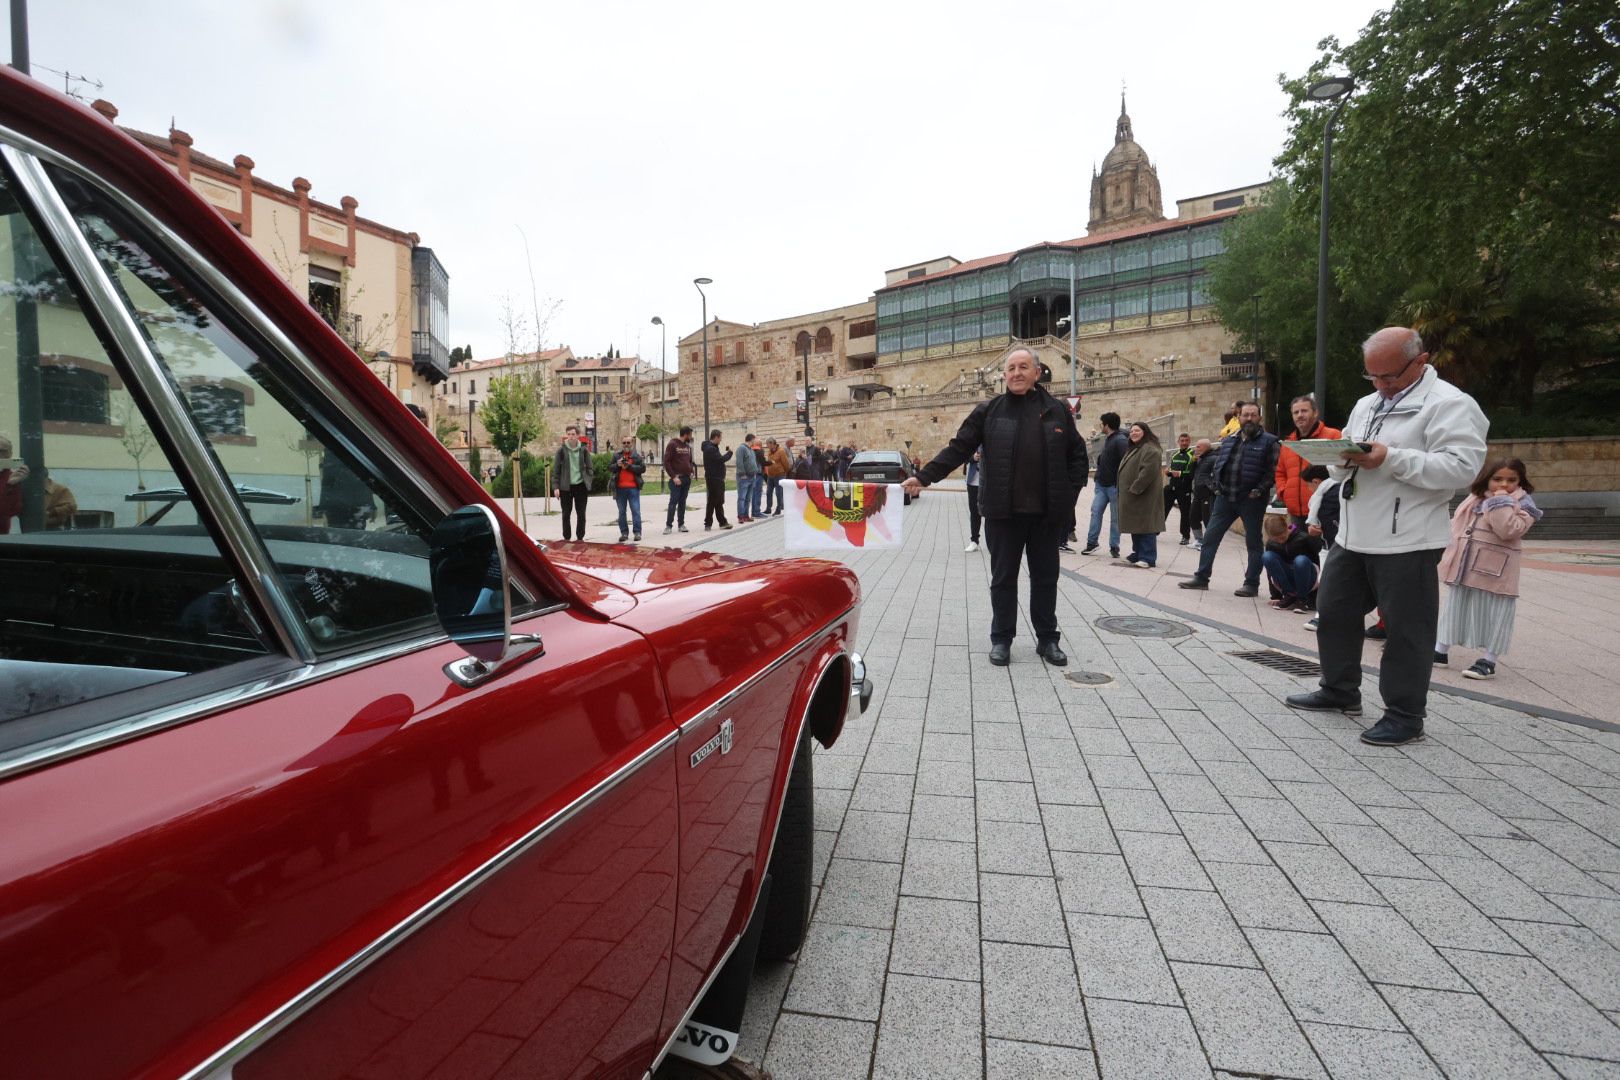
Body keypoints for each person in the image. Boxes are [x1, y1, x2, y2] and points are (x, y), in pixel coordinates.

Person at [1286, 326, 1488, 746]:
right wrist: (1338, 460)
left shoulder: (1450, 405)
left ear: (1420, 361)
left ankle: (1405, 715)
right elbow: (1350, 458)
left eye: (1389, 376)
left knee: (1406, 630)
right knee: (1334, 612)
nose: (1380, 385)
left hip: (1408, 537)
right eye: (1372, 377)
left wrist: (1392, 459)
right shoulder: (1366, 404)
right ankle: (1340, 691)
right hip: (1355, 532)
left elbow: (1462, 468)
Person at [902, 348, 1088, 666]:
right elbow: (959, 447)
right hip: (1003, 514)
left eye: (1023, 367)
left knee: (1046, 578)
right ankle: (1001, 639)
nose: (1016, 373)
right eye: (1010, 368)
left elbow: (1078, 456)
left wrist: (1067, 496)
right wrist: (924, 477)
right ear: (1004, 374)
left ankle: (1047, 639)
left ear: (1037, 372)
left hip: (1046, 516)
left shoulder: (1057, 411)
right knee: (1003, 579)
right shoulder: (989, 411)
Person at [1434, 458, 1540, 681]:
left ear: (1521, 481)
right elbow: (1458, 526)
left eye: (1512, 480)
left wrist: (1500, 502)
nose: (1504, 484)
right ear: (1486, 478)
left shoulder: (1523, 503)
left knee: (1497, 613)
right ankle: (1440, 651)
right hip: (1465, 564)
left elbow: (1509, 529)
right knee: (1455, 607)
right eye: (1497, 479)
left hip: (1498, 568)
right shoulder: (1477, 498)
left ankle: (1489, 660)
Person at [1178, 402, 1280, 596]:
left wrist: (1258, 490)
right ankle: (1201, 577)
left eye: (1253, 415)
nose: (1249, 419)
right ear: (1239, 417)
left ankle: (1251, 584)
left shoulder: (1269, 442)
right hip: (1225, 498)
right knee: (1210, 538)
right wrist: (1215, 485)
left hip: (1251, 500)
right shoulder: (1229, 440)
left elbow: (1273, 471)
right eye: (1245, 415)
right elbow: (1219, 465)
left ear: (1259, 418)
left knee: (1253, 542)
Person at [1276, 395, 1342, 524]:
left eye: (1304, 411)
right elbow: (1280, 473)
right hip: (1295, 513)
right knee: (1297, 544)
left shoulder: (1333, 436)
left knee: (1324, 544)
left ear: (1315, 412)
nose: (1300, 415)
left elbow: (1342, 469)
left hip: (1325, 510)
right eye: (1296, 412)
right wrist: (1283, 493)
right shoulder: (1288, 443)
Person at [1116, 421, 1166, 568]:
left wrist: (1135, 489)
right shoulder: (1135, 448)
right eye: (1131, 431)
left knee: (1146, 526)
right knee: (1135, 525)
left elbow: (1147, 473)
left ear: (1145, 432)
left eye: (1137, 431)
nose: (1133, 433)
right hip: (1134, 495)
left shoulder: (1150, 449)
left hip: (1144, 495)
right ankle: (1137, 553)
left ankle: (1148, 557)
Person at [1082, 412, 1127, 558]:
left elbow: (1126, 463)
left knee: (1115, 518)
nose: (1100, 426)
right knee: (1095, 512)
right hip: (1102, 485)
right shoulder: (1108, 439)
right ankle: (1092, 542)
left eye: (1102, 423)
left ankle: (1114, 546)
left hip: (1114, 486)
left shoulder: (1120, 440)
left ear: (1107, 425)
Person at [1261, 510, 1323, 611]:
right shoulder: (1271, 544)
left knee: (1300, 560)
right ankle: (1289, 595)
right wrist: (1276, 596)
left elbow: (1320, 558)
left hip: (1308, 577)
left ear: (1287, 528)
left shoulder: (1303, 537)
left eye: (1283, 537)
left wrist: (1317, 596)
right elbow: (1271, 571)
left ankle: (1302, 600)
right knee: (1267, 556)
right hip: (1288, 578)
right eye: (1277, 540)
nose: (1281, 541)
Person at [317, 452, 377, 530]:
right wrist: (370, 505)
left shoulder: (335, 447)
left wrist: (324, 506)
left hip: (340, 508)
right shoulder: (352, 446)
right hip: (349, 507)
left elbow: (327, 479)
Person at [552, 425, 592, 541]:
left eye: (573, 434)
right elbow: (556, 471)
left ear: (578, 435)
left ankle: (580, 538)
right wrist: (556, 487)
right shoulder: (561, 451)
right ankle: (567, 538)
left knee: (581, 514)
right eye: (568, 434)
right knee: (566, 514)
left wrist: (588, 481)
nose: (570, 436)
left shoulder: (583, 450)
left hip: (580, 486)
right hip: (565, 487)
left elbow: (590, 468)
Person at [610, 436, 645, 542]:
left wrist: (629, 466)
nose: (626, 444)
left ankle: (637, 532)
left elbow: (643, 469)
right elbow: (610, 467)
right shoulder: (616, 455)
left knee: (636, 511)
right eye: (624, 442)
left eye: (628, 442)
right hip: (620, 488)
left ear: (632, 443)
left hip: (633, 488)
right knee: (621, 512)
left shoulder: (636, 456)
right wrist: (618, 465)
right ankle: (624, 533)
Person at [1164, 431, 1196, 545]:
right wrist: (1168, 472)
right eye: (1182, 441)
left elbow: (1191, 473)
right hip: (1172, 487)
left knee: (1185, 513)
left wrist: (1177, 473)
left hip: (1185, 488)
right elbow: (1171, 471)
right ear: (1178, 442)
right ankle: (1155, 531)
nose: (1184, 443)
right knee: (1163, 509)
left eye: (1186, 441)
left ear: (1189, 441)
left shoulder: (1192, 455)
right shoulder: (1175, 454)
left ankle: (1185, 536)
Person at [663, 426, 695, 534]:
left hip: (686, 479)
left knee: (682, 502)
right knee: (673, 502)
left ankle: (681, 524)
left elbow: (689, 461)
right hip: (676, 479)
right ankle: (668, 526)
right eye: (690, 435)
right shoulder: (673, 444)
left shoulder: (687, 446)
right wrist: (674, 477)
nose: (691, 437)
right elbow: (666, 462)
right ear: (685, 434)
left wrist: (691, 472)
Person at [701, 429, 733, 531]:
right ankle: (708, 523)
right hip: (714, 478)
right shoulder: (710, 449)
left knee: (718, 501)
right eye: (720, 438)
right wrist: (730, 453)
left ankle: (722, 522)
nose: (721, 440)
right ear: (716, 437)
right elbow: (720, 460)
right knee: (713, 501)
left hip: (717, 478)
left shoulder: (712, 447)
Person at [1189, 438, 1217, 548]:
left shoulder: (1214, 458)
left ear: (1205, 447)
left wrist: (1210, 486)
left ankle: (1209, 543)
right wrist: (1194, 462)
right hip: (1197, 493)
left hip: (1207, 493)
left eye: (1198, 447)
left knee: (1207, 519)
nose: (1195, 449)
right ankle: (1199, 540)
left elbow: (1217, 475)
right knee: (1193, 516)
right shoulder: (1200, 459)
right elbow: (1192, 475)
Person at [1, 432, 29, 534]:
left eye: (2, 451)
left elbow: (10, 511)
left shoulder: (12, 478)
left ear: (10, 454)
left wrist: (10, 485)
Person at [735, 433, 760, 523]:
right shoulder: (741, 448)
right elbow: (739, 462)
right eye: (755, 440)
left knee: (748, 498)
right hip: (744, 477)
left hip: (752, 477)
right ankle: (740, 516)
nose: (755, 442)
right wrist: (742, 474)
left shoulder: (751, 450)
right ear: (752, 440)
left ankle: (746, 515)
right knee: (742, 498)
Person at [763, 437, 790, 515]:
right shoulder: (769, 452)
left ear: (772, 444)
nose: (767, 446)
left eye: (768, 444)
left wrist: (783, 472)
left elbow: (786, 464)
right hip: (770, 475)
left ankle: (778, 509)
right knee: (768, 492)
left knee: (778, 492)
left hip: (779, 475)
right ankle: (768, 508)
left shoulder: (781, 451)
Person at [964, 449, 982, 553]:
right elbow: (963, 457)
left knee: (991, 513)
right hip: (973, 483)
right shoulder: (972, 439)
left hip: (989, 482)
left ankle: (994, 542)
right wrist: (973, 457)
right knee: (974, 513)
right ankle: (974, 541)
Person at [750, 439, 767, 518]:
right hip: (758, 473)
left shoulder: (750, 450)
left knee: (754, 493)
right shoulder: (759, 451)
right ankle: (757, 512)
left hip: (753, 474)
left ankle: (754, 512)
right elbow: (763, 462)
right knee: (757, 493)